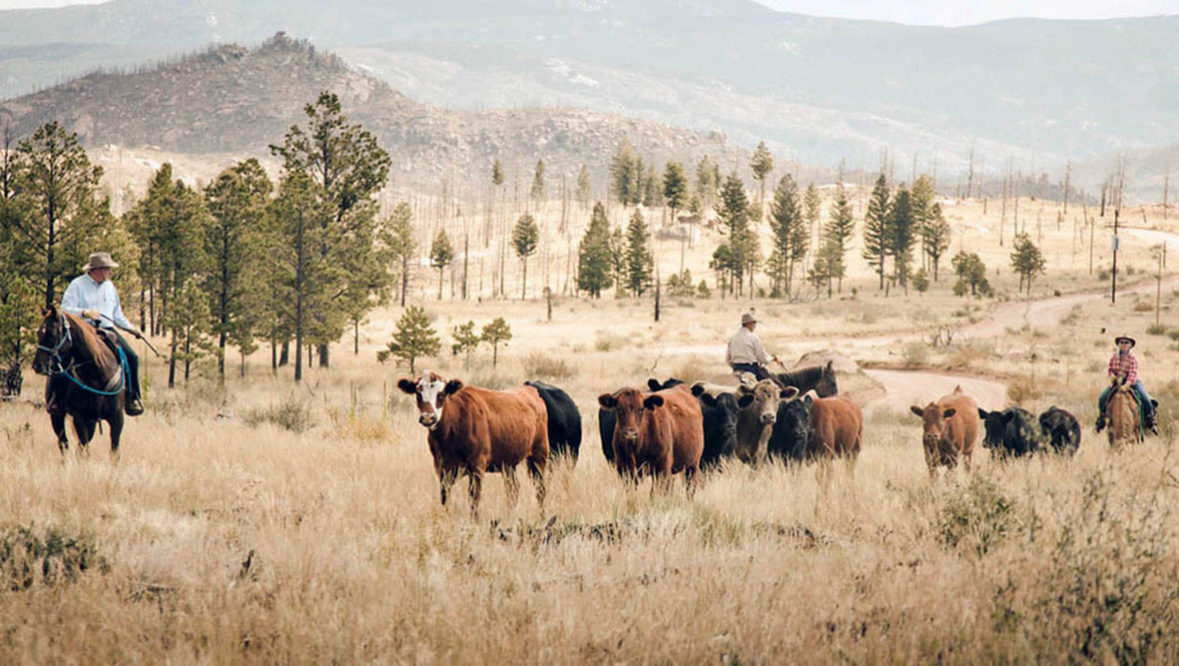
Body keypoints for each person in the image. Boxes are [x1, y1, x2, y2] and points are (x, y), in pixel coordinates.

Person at [58, 252, 144, 416]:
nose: (109, 273)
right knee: (62, 359)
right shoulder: (77, 285)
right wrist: (84, 312)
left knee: (132, 357)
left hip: (107, 330)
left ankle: (132, 397)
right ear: (96, 270)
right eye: (107, 269)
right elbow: (65, 309)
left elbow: (117, 314)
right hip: (84, 331)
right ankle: (57, 399)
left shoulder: (110, 286)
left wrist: (131, 329)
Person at [1096, 334, 1157, 435]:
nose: (1124, 344)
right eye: (1122, 342)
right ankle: (1101, 419)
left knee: (1146, 399)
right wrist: (1112, 379)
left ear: (1130, 346)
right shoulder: (1114, 357)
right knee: (1102, 398)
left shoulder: (1132, 358)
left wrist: (1126, 385)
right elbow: (1111, 370)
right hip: (1117, 383)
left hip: (1133, 383)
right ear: (1118, 345)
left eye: (1126, 343)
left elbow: (1132, 374)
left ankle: (1150, 420)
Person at [726, 312, 776, 382]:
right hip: (751, 369)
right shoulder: (753, 337)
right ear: (749, 324)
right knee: (769, 384)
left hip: (736, 368)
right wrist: (771, 358)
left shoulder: (733, 338)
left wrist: (736, 365)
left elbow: (728, 358)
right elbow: (762, 358)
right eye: (754, 323)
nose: (755, 325)